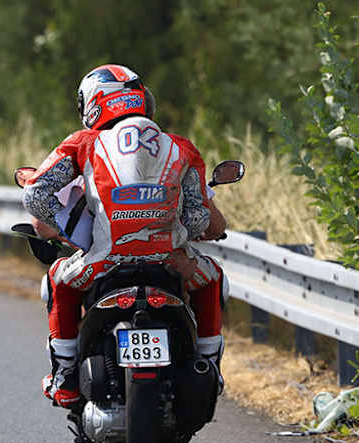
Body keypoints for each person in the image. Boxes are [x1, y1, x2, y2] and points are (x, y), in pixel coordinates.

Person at [22, 64, 227, 408]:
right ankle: (210, 367)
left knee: (58, 279)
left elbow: (35, 195)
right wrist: (172, 234)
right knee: (213, 278)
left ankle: (66, 375)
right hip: (171, 263)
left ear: (93, 103)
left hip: (104, 262)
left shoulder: (82, 143)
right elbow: (197, 217)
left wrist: (66, 230)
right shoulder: (182, 148)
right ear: (140, 98)